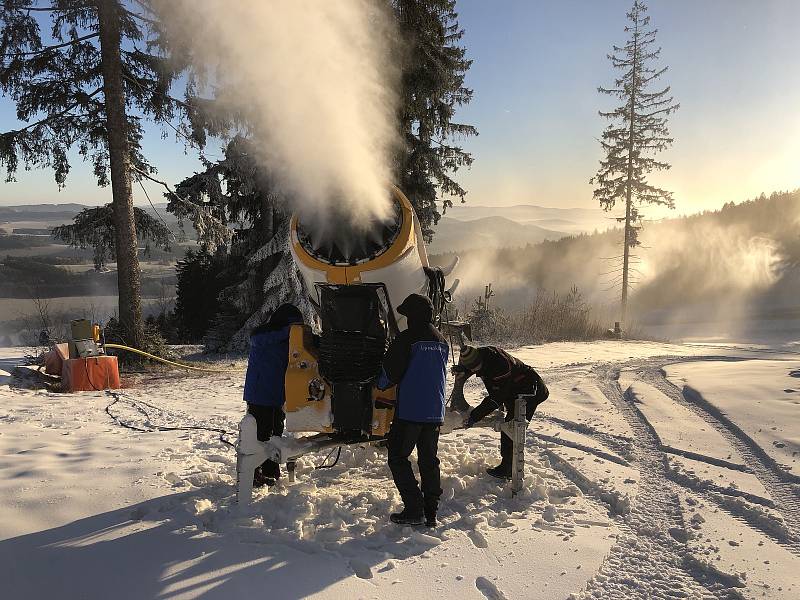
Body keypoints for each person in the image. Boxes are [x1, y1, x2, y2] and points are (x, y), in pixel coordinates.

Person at [377, 293, 449, 527]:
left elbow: (390, 374)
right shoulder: (441, 340)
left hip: (410, 412)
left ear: (412, 316)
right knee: (429, 461)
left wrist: (377, 383)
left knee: (397, 457)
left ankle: (413, 508)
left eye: (406, 314)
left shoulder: (407, 339)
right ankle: (431, 511)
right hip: (434, 410)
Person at [455, 344, 549, 479]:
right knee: (509, 425)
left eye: (475, 369)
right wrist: (463, 369)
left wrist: (474, 416)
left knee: (512, 428)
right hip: (514, 388)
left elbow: (496, 398)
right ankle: (508, 467)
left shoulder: (500, 367)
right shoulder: (481, 353)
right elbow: (474, 364)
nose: (474, 371)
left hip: (529, 391)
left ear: (480, 361)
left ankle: (509, 470)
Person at [243, 303, 304, 487]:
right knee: (259, 435)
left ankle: (270, 471)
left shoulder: (285, 341)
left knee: (275, 433)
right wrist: (290, 332)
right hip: (259, 395)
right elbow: (258, 339)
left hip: (276, 396)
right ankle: (253, 473)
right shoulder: (263, 335)